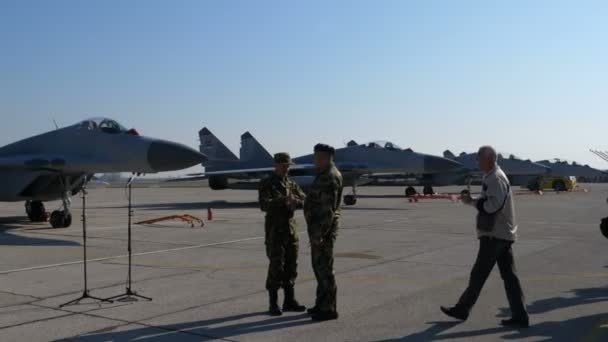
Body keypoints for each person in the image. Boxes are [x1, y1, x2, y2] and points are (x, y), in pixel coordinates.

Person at [441, 145, 529, 328]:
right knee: (510, 277)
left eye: (479, 158)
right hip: (503, 234)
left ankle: (462, 308)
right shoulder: (493, 175)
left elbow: (492, 206)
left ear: (489, 159)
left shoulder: (496, 178)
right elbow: (489, 202)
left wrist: (475, 202)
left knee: (478, 275)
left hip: (494, 235)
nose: (477, 162)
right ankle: (520, 316)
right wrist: (472, 201)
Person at [258, 153, 307, 316]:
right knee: (276, 267)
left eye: (288, 166)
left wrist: (296, 202)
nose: (287, 169)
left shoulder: (291, 183)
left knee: (291, 266)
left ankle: (289, 301)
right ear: (276, 165)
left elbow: (303, 199)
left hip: (291, 230)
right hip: (275, 231)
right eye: (284, 166)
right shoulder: (267, 183)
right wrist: (283, 200)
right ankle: (273, 303)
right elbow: (264, 205)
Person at [304, 143, 344, 321]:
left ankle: (329, 309)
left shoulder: (329, 177)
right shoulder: (325, 174)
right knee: (319, 269)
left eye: (318, 157)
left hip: (323, 231)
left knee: (325, 270)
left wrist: (319, 235)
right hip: (319, 229)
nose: (315, 160)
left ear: (327, 157)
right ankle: (321, 303)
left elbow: (327, 210)